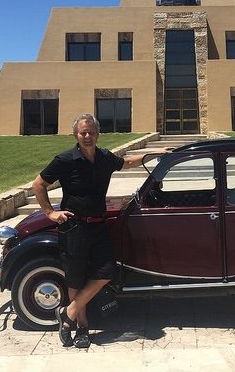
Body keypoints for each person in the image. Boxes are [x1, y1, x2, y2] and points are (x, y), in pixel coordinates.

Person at [32, 113, 171, 348]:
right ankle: (82, 328)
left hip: (98, 225)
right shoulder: (65, 160)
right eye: (83, 132)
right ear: (76, 135)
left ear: (97, 134)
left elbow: (127, 162)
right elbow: (38, 184)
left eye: (91, 132)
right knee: (75, 280)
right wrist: (50, 213)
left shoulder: (105, 158)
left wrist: (156, 154)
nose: (87, 136)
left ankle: (68, 314)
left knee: (106, 271)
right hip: (74, 227)